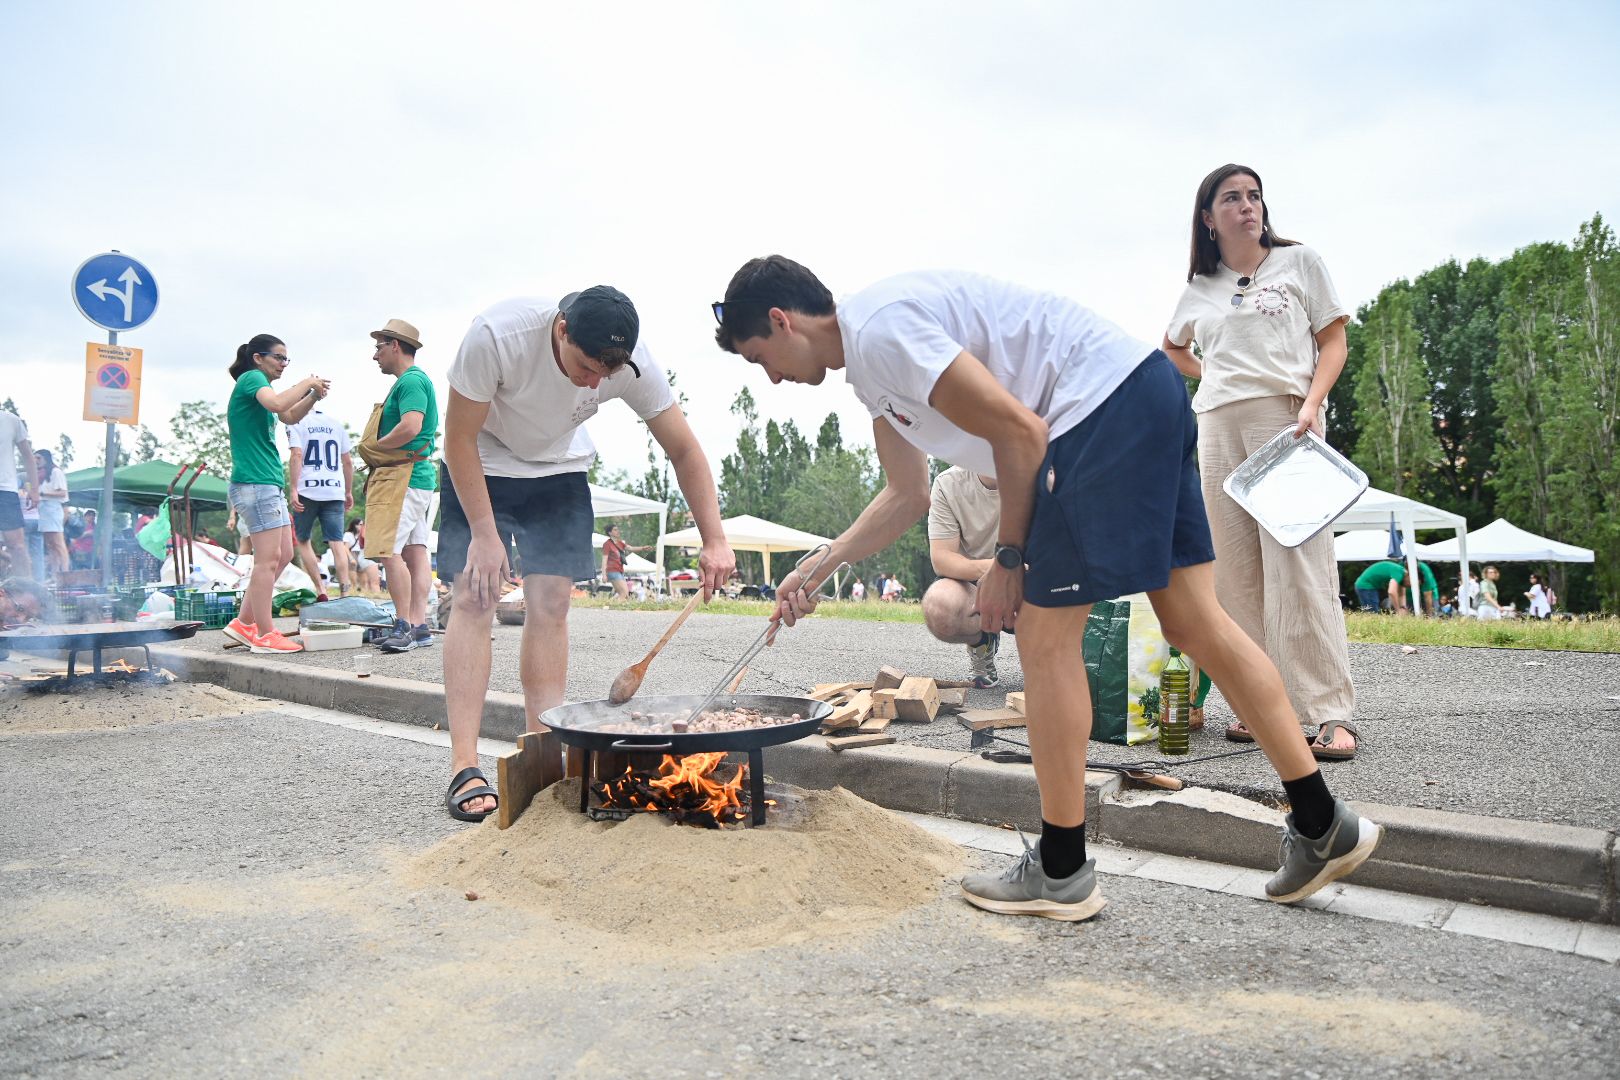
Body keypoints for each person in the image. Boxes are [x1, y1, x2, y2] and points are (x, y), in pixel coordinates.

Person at [712, 255, 1381, 921]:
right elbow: (907, 492)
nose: (769, 376)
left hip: (1094, 416)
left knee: (1043, 636)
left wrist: (1009, 555)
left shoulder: (880, 330)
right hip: (1140, 394)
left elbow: (1020, 431)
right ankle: (1324, 822)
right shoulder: (871, 362)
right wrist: (820, 566)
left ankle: (1062, 870)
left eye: (758, 356)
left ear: (782, 320)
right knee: (1197, 623)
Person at [439, 286, 735, 822]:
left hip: (558, 470)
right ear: (561, 331)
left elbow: (684, 448)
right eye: (586, 366)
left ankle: (542, 755)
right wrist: (484, 535)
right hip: (481, 459)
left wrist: (714, 537)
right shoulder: (496, 337)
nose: (596, 382)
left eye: (607, 373)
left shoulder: (630, 364)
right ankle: (465, 763)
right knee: (473, 596)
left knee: (551, 603)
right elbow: (456, 438)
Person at [1163, 163, 1358, 761]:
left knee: (1299, 563)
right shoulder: (1201, 286)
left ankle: (1328, 714)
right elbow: (1171, 347)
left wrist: (1313, 403)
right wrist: (1213, 373)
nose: (1248, 206)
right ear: (1208, 216)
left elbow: (1334, 341)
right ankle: (1262, 706)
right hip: (1218, 422)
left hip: (1286, 418)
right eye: (1232, 197)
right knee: (1235, 575)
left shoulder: (1299, 263)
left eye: (1254, 196)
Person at [223, 333, 330, 653]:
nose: (283, 364)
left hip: (267, 483)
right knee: (267, 560)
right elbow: (278, 403)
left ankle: (244, 623)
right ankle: (265, 634)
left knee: (283, 554)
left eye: (287, 360)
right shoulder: (251, 378)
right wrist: (307, 380)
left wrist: (312, 395)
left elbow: (289, 414)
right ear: (258, 358)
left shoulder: (260, 385)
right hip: (254, 484)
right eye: (279, 358)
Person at [359, 320, 438, 653]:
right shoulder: (412, 381)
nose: (375, 355)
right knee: (415, 553)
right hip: (416, 476)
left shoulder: (411, 381)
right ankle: (419, 627)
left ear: (395, 346)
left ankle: (403, 625)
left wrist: (378, 449)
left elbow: (411, 425)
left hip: (403, 477)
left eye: (379, 347)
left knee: (389, 553)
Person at [923, 467, 1005, 687]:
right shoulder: (948, 483)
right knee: (940, 606)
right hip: (975, 584)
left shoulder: (1043, 476)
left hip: (1031, 580)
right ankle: (982, 642)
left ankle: (1045, 657)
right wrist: (1000, 569)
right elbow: (941, 558)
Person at [285, 405, 355, 602]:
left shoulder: (295, 422)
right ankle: (345, 591)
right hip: (334, 488)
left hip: (307, 488)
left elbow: (297, 455)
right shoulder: (335, 424)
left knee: (303, 539)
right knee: (337, 541)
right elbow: (347, 462)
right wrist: (348, 491)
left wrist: (293, 488)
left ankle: (320, 589)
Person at [0, 407, 40, 577]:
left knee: (16, 545)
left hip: (5, 490)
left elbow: (28, 456)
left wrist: (35, 489)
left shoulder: (10, 420)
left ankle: (27, 591)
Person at [34, 449, 68, 580]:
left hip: (53, 509)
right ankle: (55, 576)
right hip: (43, 511)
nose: (36, 461)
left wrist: (43, 494)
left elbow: (62, 493)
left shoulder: (56, 472)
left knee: (58, 544)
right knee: (50, 545)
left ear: (46, 459)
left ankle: (65, 574)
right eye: (35, 458)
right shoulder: (41, 475)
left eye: (39, 458)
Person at [602, 523, 653, 599]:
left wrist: (643, 548)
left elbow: (631, 548)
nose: (618, 531)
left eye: (617, 529)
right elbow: (604, 560)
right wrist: (604, 575)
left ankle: (609, 605)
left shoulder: (620, 543)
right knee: (624, 593)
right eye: (615, 530)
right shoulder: (607, 544)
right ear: (610, 533)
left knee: (623, 594)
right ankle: (612, 608)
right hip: (612, 571)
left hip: (620, 571)